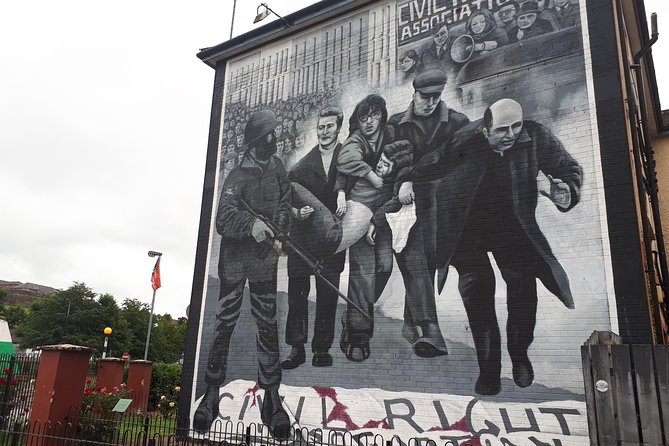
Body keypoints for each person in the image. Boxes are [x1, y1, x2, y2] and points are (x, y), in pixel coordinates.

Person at [409, 98, 582, 396]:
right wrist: (405, 182)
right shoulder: (464, 141)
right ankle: (489, 371)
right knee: (478, 292)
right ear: (485, 130)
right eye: (502, 129)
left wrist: (567, 190)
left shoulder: (534, 136)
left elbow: (568, 167)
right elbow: (426, 166)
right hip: (466, 229)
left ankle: (519, 355)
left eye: (516, 126)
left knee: (523, 287)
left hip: (510, 225)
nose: (512, 134)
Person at [194, 109, 292, 440]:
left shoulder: (276, 166)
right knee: (223, 326)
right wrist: (252, 225)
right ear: (256, 141)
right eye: (269, 134)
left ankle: (272, 396)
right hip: (235, 265)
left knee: (268, 326)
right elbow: (223, 218)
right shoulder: (236, 178)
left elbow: (285, 197)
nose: (274, 138)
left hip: (264, 261)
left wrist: (279, 230)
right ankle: (210, 394)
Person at [387, 69, 469, 357]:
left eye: (436, 97)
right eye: (425, 97)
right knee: (414, 263)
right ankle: (431, 331)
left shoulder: (458, 123)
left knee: (426, 262)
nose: (431, 103)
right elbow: (389, 165)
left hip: (442, 205)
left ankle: (413, 325)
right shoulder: (396, 124)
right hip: (406, 204)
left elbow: (463, 165)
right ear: (414, 94)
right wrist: (402, 181)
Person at [281, 107, 347, 370]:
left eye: (330, 126)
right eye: (321, 127)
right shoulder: (300, 167)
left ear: (338, 128)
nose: (325, 131)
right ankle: (296, 349)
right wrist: (297, 212)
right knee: (297, 296)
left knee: (327, 295)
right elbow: (284, 201)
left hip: (332, 241)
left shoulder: (348, 158)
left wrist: (342, 193)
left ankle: (321, 349)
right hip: (302, 239)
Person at [335, 94, 395, 362]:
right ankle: (358, 337)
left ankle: (354, 315)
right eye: (363, 118)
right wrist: (370, 175)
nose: (369, 122)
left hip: (384, 213)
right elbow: (345, 161)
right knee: (363, 272)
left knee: (384, 267)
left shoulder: (391, 134)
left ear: (381, 115)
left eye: (373, 116)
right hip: (359, 211)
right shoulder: (356, 140)